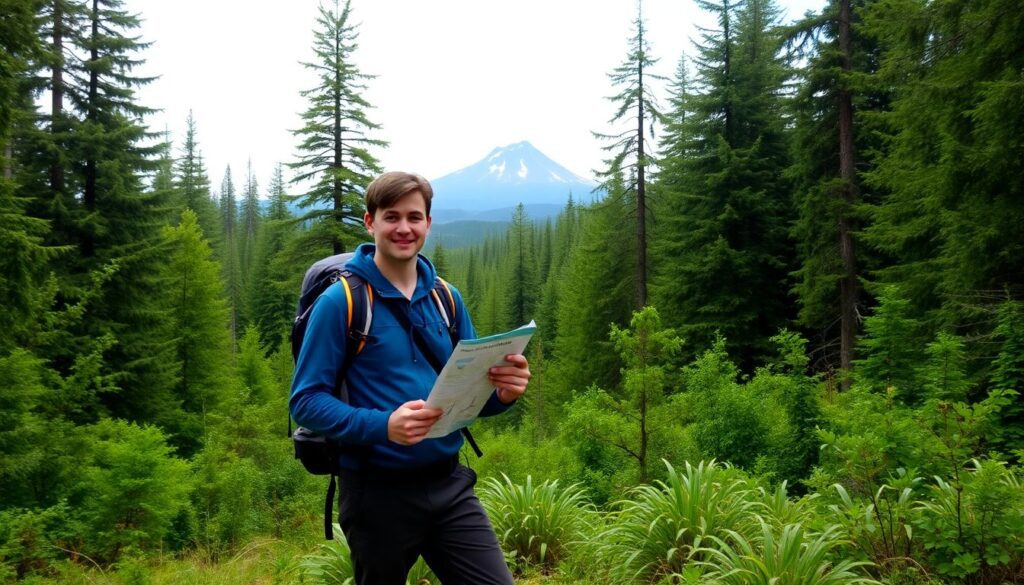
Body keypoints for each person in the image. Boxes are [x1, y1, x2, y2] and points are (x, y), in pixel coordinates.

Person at [289, 171, 530, 584]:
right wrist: (385, 425)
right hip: (376, 493)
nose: (404, 228)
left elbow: (469, 397)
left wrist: (503, 394)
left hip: (449, 483)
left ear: (428, 224)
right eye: (391, 216)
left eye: (415, 217)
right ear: (371, 222)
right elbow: (306, 401)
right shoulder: (342, 301)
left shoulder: (445, 298)